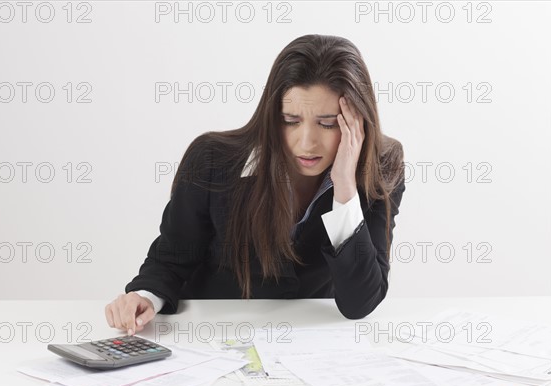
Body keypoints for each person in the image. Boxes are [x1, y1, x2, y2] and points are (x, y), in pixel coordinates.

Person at [105, 34, 406, 336]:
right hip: (214, 338)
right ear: (272, 115)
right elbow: (171, 259)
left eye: (327, 123)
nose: (306, 142)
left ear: (358, 122)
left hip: (309, 344)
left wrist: (345, 188)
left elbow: (361, 302)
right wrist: (144, 297)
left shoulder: (381, 168)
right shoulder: (211, 159)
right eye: (290, 120)